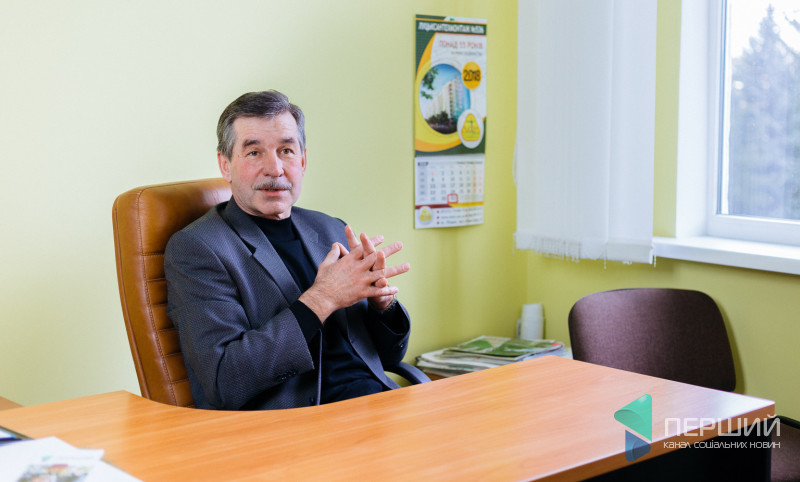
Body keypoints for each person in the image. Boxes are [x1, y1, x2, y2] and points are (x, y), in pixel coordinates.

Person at [164, 90, 412, 410]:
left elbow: (388, 357)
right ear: (225, 165)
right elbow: (226, 381)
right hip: (299, 424)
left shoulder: (331, 228)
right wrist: (322, 298)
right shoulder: (198, 248)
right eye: (254, 152)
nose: (275, 168)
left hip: (380, 404)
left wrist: (383, 306)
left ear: (303, 161)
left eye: (286, 150)